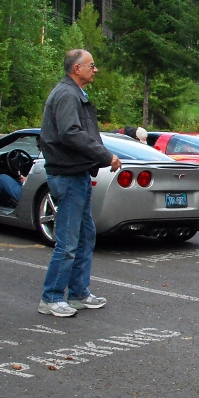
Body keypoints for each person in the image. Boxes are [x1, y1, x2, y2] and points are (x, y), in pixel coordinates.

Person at [38, 48, 121, 317]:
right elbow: (71, 133)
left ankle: (78, 294)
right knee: (68, 241)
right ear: (77, 68)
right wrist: (105, 155)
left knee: (85, 236)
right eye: (91, 65)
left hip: (79, 174)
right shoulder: (66, 95)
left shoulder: (75, 94)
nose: (95, 70)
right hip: (67, 175)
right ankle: (50, 298)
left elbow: (80, 133)